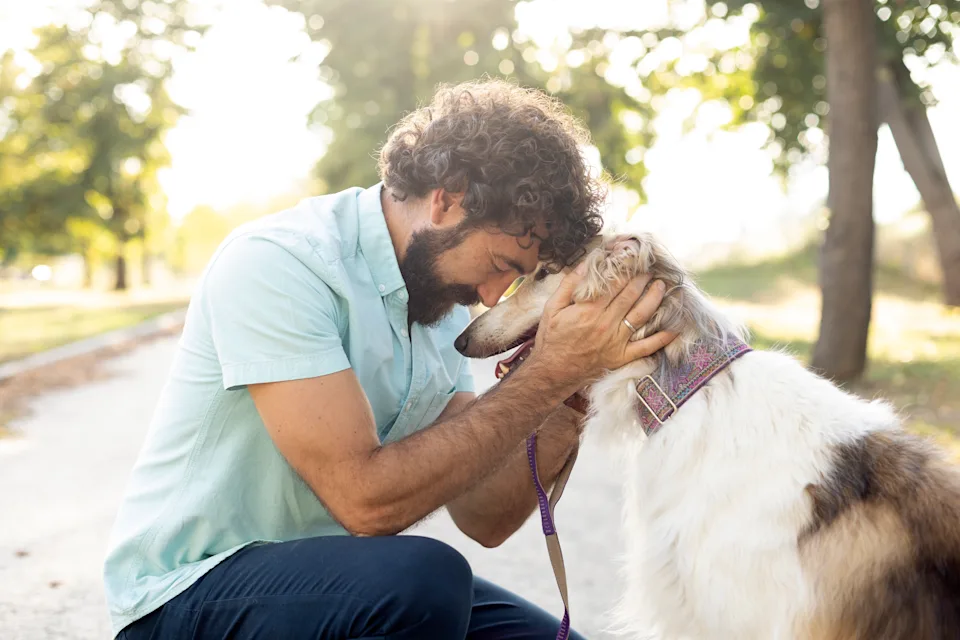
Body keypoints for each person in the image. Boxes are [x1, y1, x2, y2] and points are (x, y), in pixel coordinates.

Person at [104, 79, 675, 640]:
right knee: (424, 580)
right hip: (185, 598)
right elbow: (365, 503)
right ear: (447, 198)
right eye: (502, 262)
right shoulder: (281, 264)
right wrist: (548, 370)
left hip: (329, 594)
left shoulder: (438, 300)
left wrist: (569, 389)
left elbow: (486, 519)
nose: (496, 295)